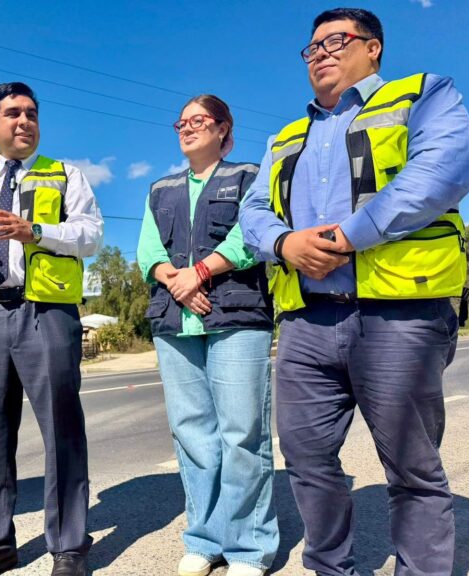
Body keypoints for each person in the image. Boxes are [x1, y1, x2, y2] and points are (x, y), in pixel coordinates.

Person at [239, 8, 469, 575]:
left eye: (335, 40)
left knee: (412, 469)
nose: (320, 52)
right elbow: (252, 213)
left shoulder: (422, 95)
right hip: (305, 323)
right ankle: (330, 569)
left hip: (398, 314)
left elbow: (444, 169)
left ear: (373, 49)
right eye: (312, 47)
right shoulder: (287, 135)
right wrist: (283, 245)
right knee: (307, 459)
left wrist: (350, 236)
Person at [0, 82, 103, 576]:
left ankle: (69, 545)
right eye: (13, 114)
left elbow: (91, 235)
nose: (24, 121)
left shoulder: (65, 174)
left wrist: (36, 233)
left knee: (61, 428)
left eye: (31, 113)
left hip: (45, 312)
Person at [137, 95, 277, 576]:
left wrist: (199, 272)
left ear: (224, 130)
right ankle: (204, 539)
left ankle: (248, 547)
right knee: (194, 434)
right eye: (182, 122)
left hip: (237, 317)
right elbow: (147, 251)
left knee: (242, 433)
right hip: (175, 323)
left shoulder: (249, 176)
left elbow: (252, 235)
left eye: (200, 120)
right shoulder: (161, 188)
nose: (188, 127)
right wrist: (177, 281)